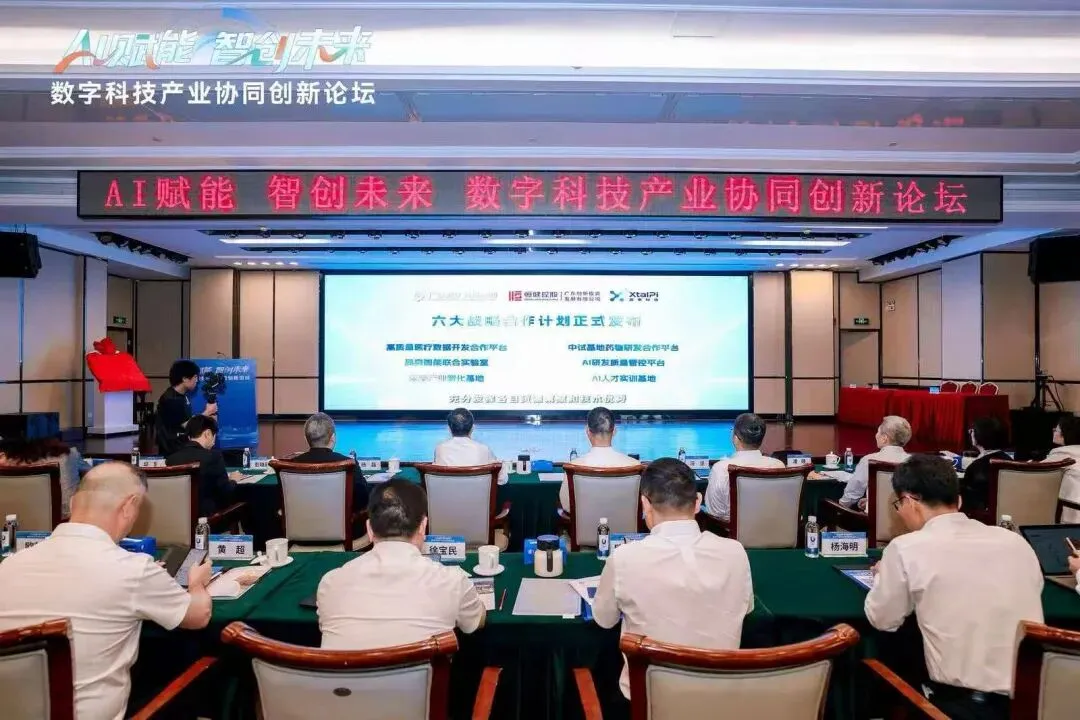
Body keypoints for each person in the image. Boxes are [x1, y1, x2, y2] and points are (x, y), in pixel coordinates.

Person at [0, 462, 212, 720]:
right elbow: (199, 615)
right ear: (128, 507)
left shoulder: (9, 566)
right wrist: (196, 583)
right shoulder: (133, 570)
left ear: (74, 503)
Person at [865, 454, 1044, 720]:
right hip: (1035, 703)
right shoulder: (1016, 542)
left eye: (898, 505)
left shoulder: (906, 548)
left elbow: (882, 619)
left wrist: (883, 575)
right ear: (958, 501)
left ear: (910, 501)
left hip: (959, 708)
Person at [593, 457, 753, 706]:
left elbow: (604, 620)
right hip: (720, 703)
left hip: (648, 704)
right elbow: (747, 608)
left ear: (644, 503)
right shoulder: (735, 553)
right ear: (697, 502)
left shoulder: (625, 558)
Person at [317, 478, 486, 649]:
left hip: (346, 668)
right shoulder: (452, 581)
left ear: (369, 529)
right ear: (423, 526)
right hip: (425, 668)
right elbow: (476, 621)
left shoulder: (330, 583)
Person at [818, 415, 911, 509]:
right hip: (904, 516)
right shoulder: (914, 463)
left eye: (878, 432)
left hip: (872, 518)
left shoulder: (869, 460)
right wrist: (869, 501)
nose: (876, 435)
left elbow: (853, 493)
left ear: (884, 438)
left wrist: (841, 506)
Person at [704, 412, 783, 521]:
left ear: (736, 438)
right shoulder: (778, 465)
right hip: (774, 528)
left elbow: (714, 512)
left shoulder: (721, 469)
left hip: (731, 531)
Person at [560, 406, 639, 510]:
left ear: (587, 431)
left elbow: (567, 505)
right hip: (626, 521)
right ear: (615, 431)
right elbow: (640, 506)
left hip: (586, 521)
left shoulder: (573, 466)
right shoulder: (635, 465)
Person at [289, 412, 369, 513]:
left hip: (300, 521)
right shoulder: (349, 463)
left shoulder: (291, 464)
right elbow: (363, 499)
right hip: (341, 522)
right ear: (333, 438)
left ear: (306, 439)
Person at [165, 414, 239, 517]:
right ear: (207, 433)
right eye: (214, 436)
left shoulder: (171, 460)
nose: (214, 442)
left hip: (178, 517)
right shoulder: (214, 457)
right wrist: (233, 481)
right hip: (209, 519)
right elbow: (226, 491)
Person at [0, 436, 82, 518]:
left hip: (13, 522)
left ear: (2, 455)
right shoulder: (68, 456)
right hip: (66, 519)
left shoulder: (6, 466)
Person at [948, 416, 1011, 513]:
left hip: (980, 515)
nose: (970, 433)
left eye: (972, 430)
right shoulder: (1008, 460)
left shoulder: (975, 468)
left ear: (981, 435)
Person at [155, 359, 217, 456]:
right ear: (185, 379)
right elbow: (187, 425)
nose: (197, 380)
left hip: (182, 445)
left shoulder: (182, 396)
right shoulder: (171, 399)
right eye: (195, 377)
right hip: (173, 450)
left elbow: (187, 419)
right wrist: (207, 412)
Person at [433, 407, 507, 484]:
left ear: (449, 429)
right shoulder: (483, 449)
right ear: (472, 428)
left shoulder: (440, 449)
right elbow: (502, 479)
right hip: (478, 492)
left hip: (446, 492)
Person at [1047, 416, 1080, 523]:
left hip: (1071, 513)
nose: (1053, 431)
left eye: (1056, 429)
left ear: (1065, 434)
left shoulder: (1063, 453)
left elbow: (1034, 472)